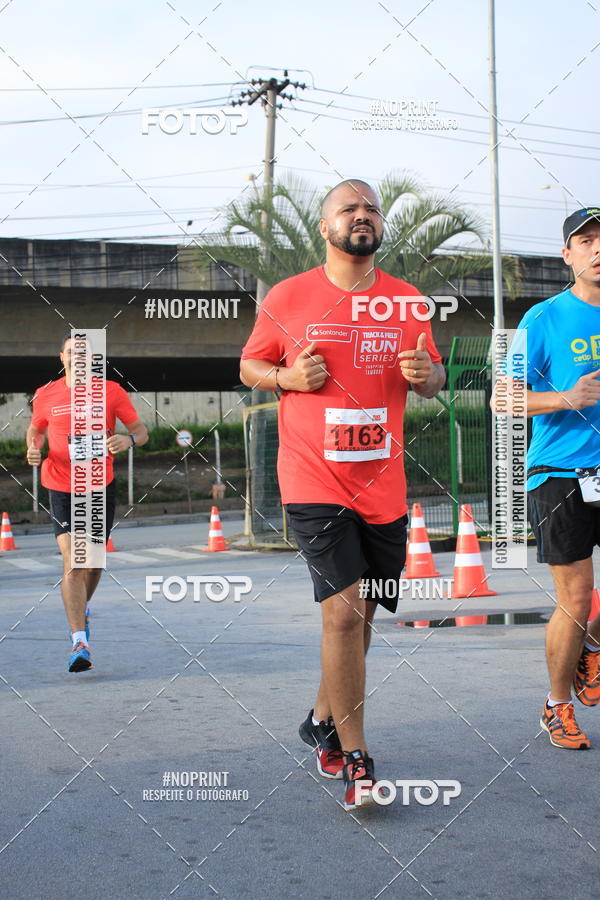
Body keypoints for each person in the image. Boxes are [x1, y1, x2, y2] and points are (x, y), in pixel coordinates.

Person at [240, 179, 445, 809]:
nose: (363, 216)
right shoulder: (289, 295)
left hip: (382, 485)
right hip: (312, 478)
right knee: (345, 610)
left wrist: (427, 375)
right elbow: (249, 366)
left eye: (372, 209)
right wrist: (287, 377)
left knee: (364, 615)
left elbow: (435, 377)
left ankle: (322, 719)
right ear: (325, 226)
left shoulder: (408, 301)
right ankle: (354, 758)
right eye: (348, 209)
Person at [493, 207, 600, 749]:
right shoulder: (541, 318)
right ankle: (557, 705)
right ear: (567, 255)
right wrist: (568, 397)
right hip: (560, 472)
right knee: (575, 597)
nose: (597, 249)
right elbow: (500, 398)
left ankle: (591, 648)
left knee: (586, 610)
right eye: (586, 241)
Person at [26, 334, 148, 673]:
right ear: (61, 357)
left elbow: (141, 432)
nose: (77, 358)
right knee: (74, 562)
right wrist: (32, 447)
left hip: (98, 485)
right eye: (71, 353)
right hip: (60, 483)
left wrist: (128, 439)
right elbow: (35, 430)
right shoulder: (46, 394)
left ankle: (82, 608)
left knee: (93, 565)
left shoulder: (111, 391)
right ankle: (79, 640)